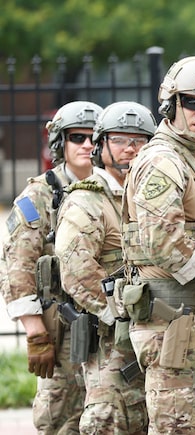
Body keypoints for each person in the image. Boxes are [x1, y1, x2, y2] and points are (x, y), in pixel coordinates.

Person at [121, 55, 195, 433]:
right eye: (192, 102)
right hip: (171, 324)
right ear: (172, 104)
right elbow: (160, 241)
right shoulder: (164, 161)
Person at [55, 101, 156, 434]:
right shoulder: (88, 199)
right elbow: (76, 269)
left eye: (139, 140)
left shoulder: (150, 196)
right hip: (114, 338)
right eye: (119, 140)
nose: (130, 148)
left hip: (156, 336)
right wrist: (124, 314)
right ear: (100, 146)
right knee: (108, 419)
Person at [1, 100, 102, 434]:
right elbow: (18, 265)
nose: (87, 145)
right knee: (59, 417)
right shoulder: (40, 195)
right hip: (61, 328)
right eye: (77, 137)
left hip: (107, 322)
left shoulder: (114, 188)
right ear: (62, 143)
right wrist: (35, 332)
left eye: (93, 137)